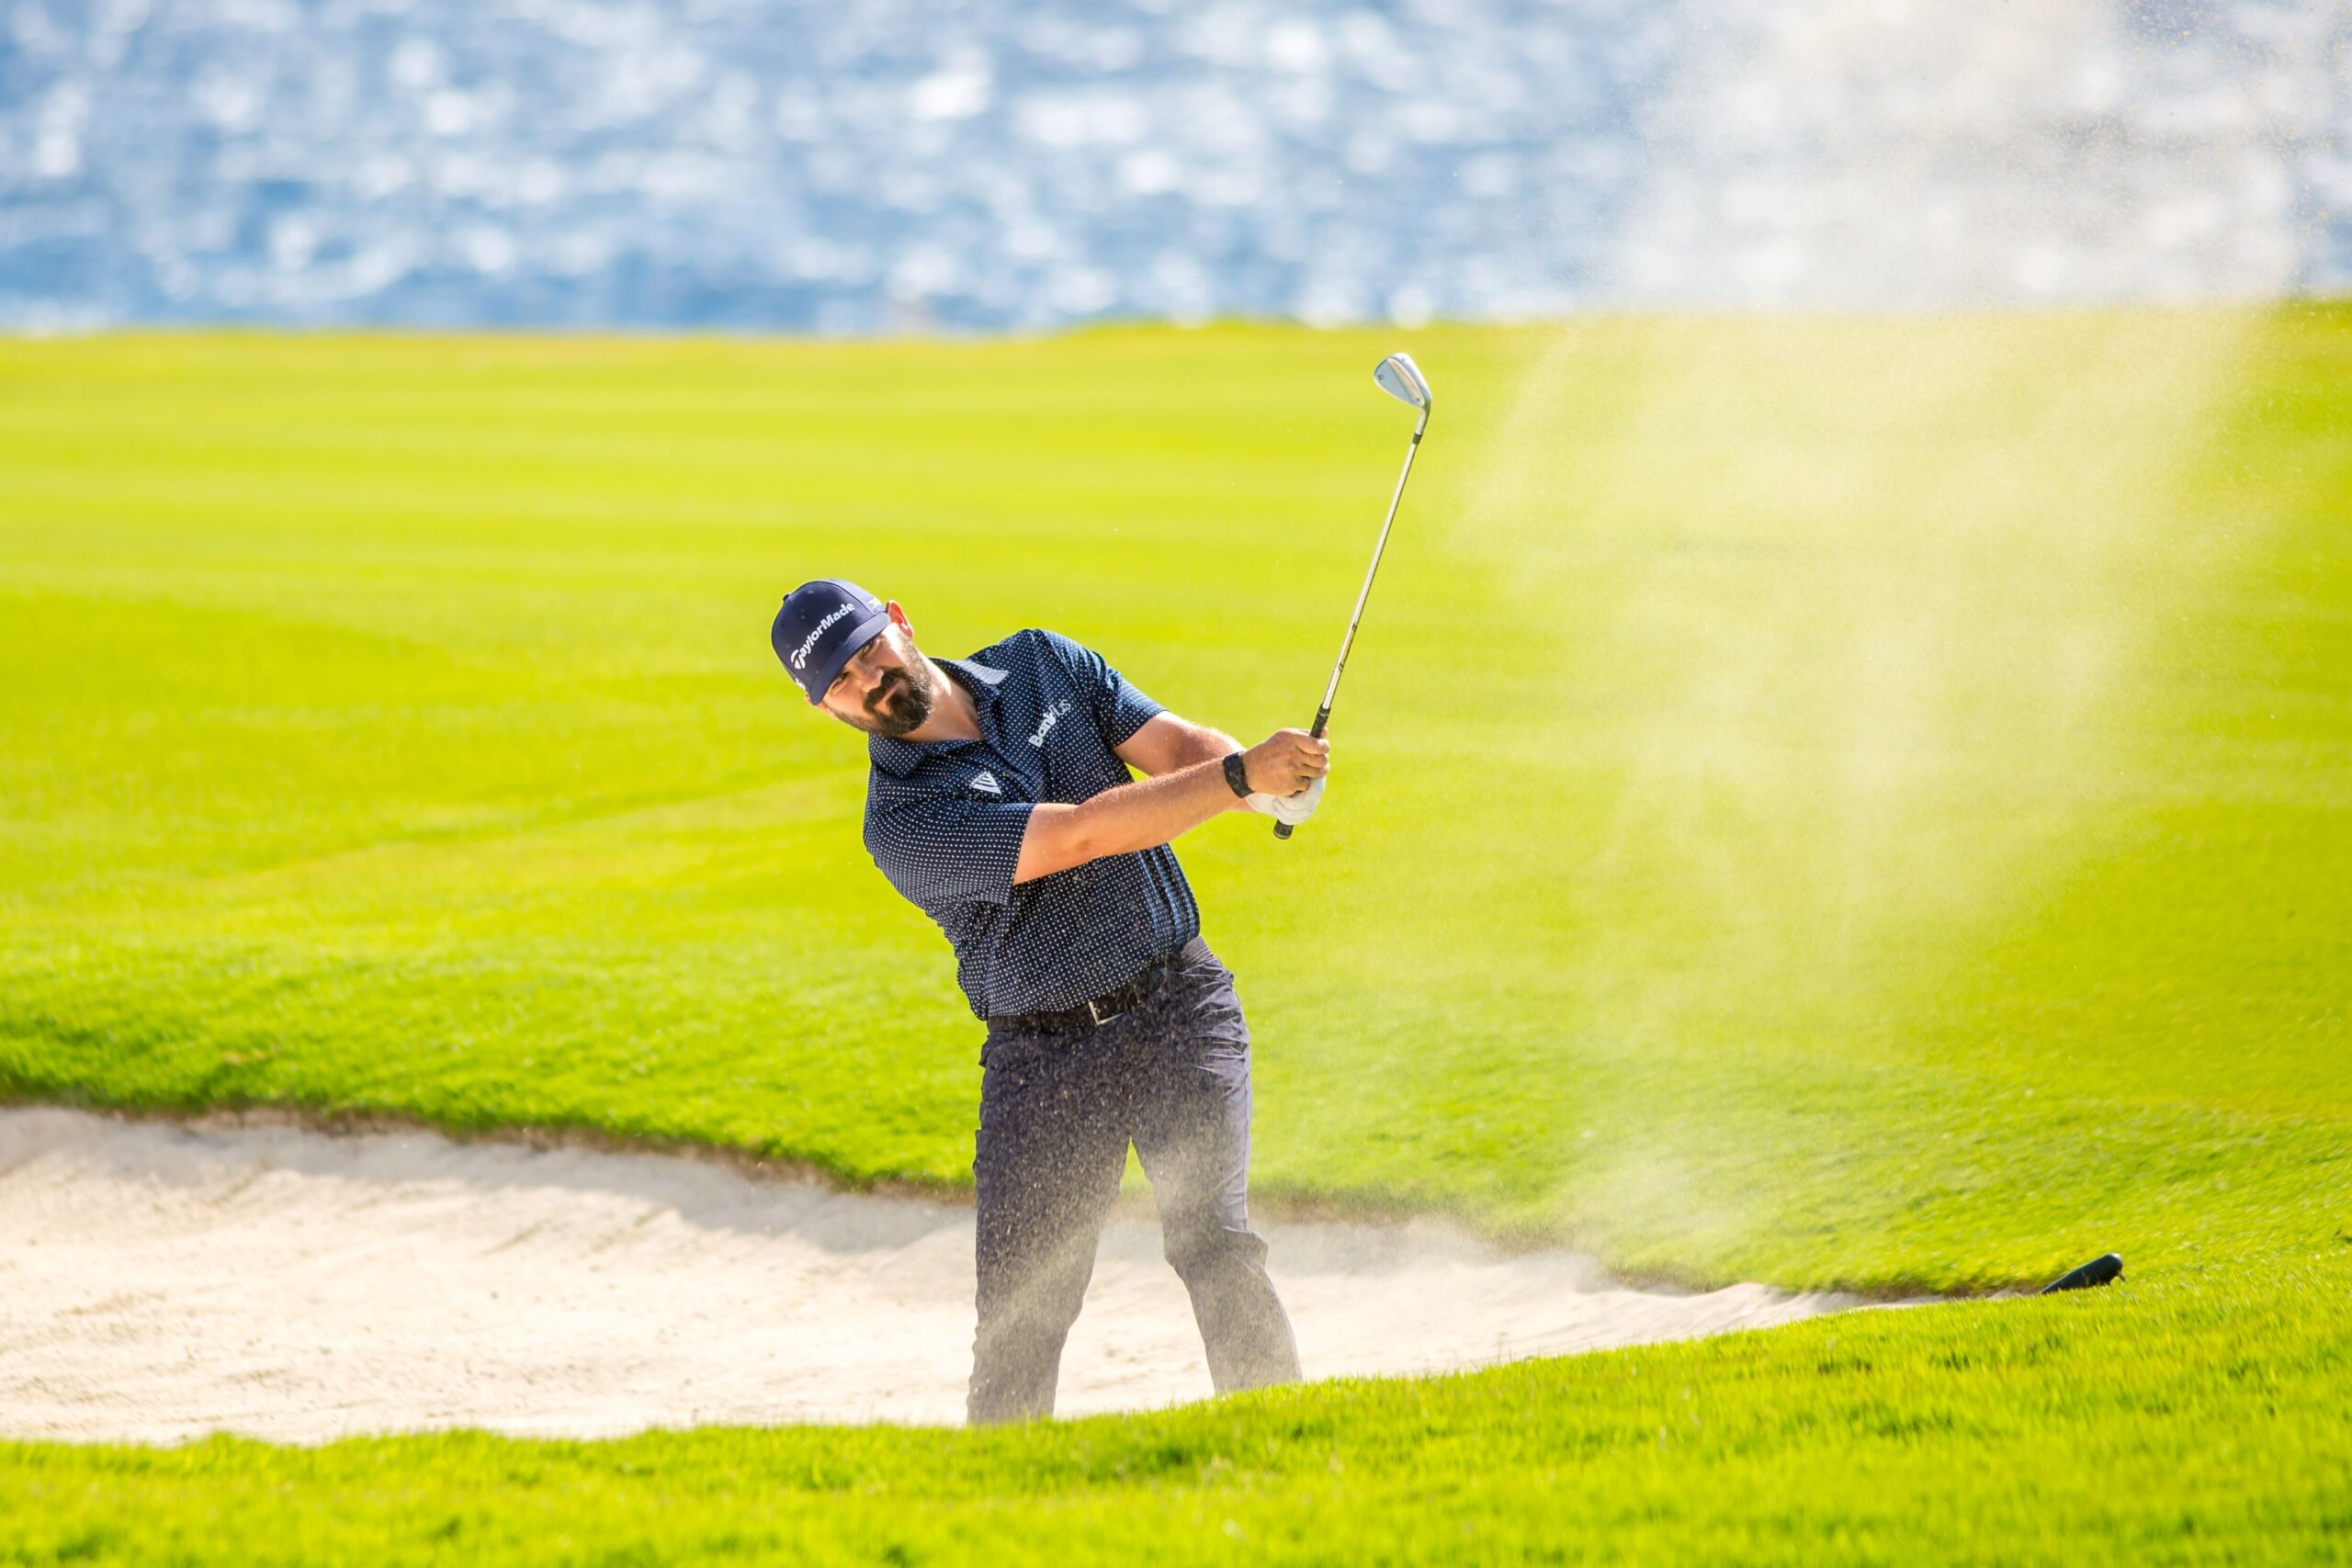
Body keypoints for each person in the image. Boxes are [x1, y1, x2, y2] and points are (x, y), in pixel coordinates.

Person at [771, 578, 1325, 1423]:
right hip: (1047, 1063)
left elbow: (1178, 746)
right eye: (841, 681)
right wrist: (1241, 774)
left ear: (899, 620)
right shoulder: (902, 819)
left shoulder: (1040, 661)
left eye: (867, 649)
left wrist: (1264, 787)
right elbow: (1078, 834)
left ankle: (1286, 1446)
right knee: (1022, 1319)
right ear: (825, 708)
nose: (869, 680)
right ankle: (1002, 1492)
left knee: (1217, 1244)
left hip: (1180, 1005)